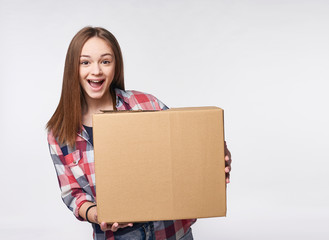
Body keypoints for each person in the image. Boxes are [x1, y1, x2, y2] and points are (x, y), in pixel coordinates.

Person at [46, 26, 232, 240]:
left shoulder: (146, 104)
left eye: (105, 61)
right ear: (73, 68)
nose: (96, 71)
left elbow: (186, 146)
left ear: (115, 66)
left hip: (172, 232)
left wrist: (216, 157)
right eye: (85, 62)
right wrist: (95, 213)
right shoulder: (59, 133)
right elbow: (73, 195)